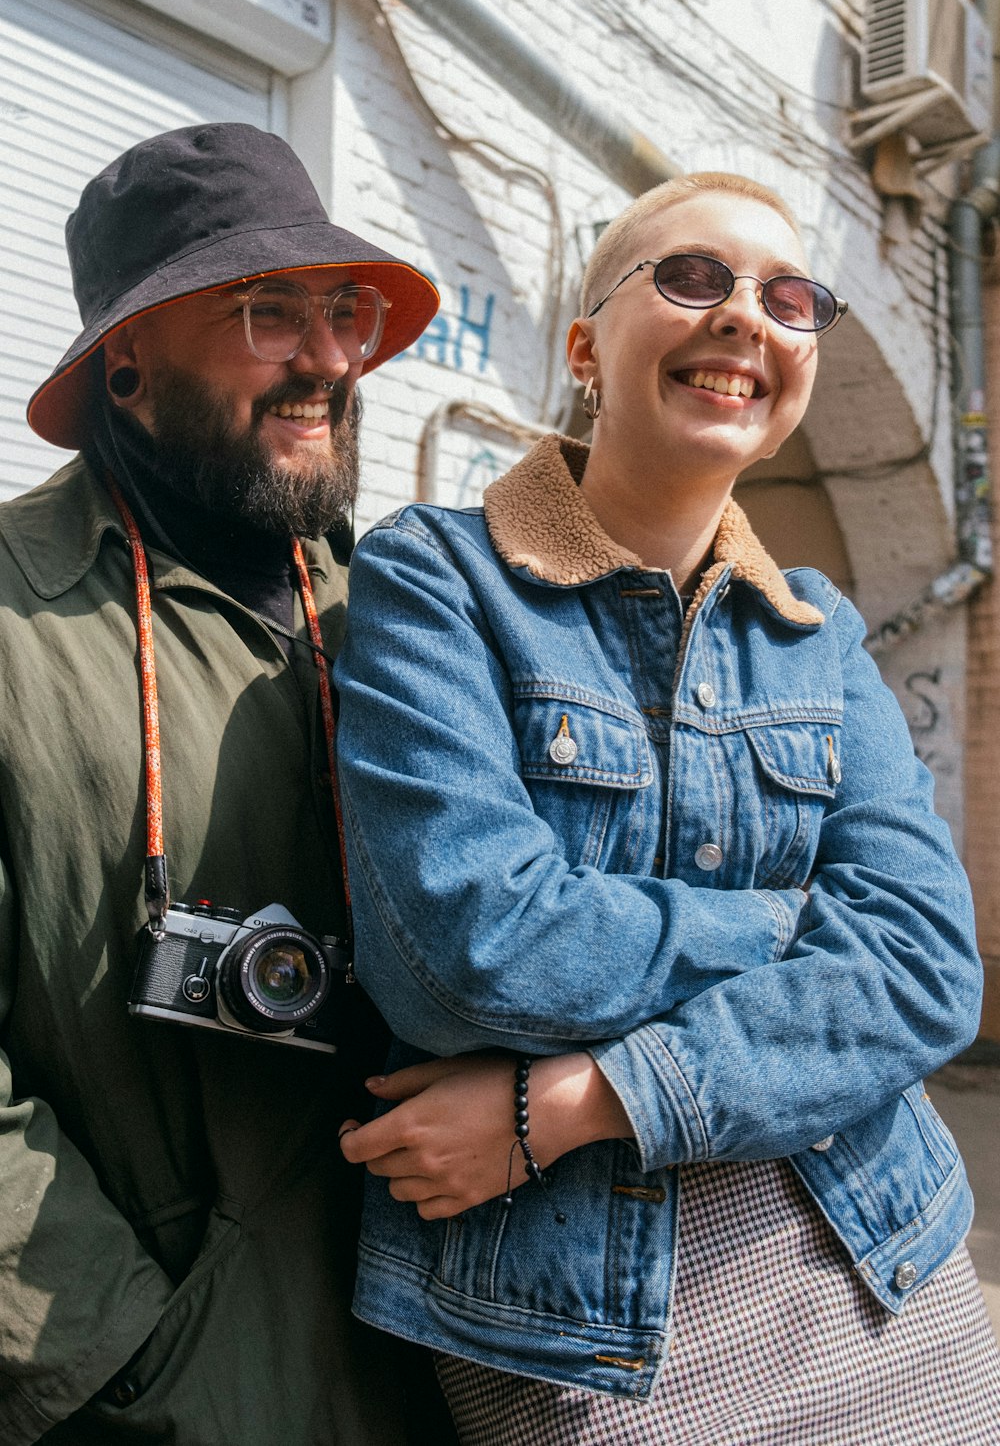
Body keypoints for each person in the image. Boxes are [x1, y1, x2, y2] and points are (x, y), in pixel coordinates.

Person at [335, 172, 1000, 1444]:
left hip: (882, 1270)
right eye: (693, 278)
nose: (747, 317)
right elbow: (467, 956)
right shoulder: (438, 579)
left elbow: (923, 974)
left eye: (789, 296)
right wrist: (794, 925)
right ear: (585, 347)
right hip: (567, 1333)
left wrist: (578, 1102)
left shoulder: (815, 631)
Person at [0, 122, 448, 1446]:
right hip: (166, 1395)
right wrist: (115, 1370)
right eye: (266, 313)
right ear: (122, 362)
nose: (325, 360)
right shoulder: (15, 618)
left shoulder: (405, 614)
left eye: (343, 312)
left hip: (435, 1371)